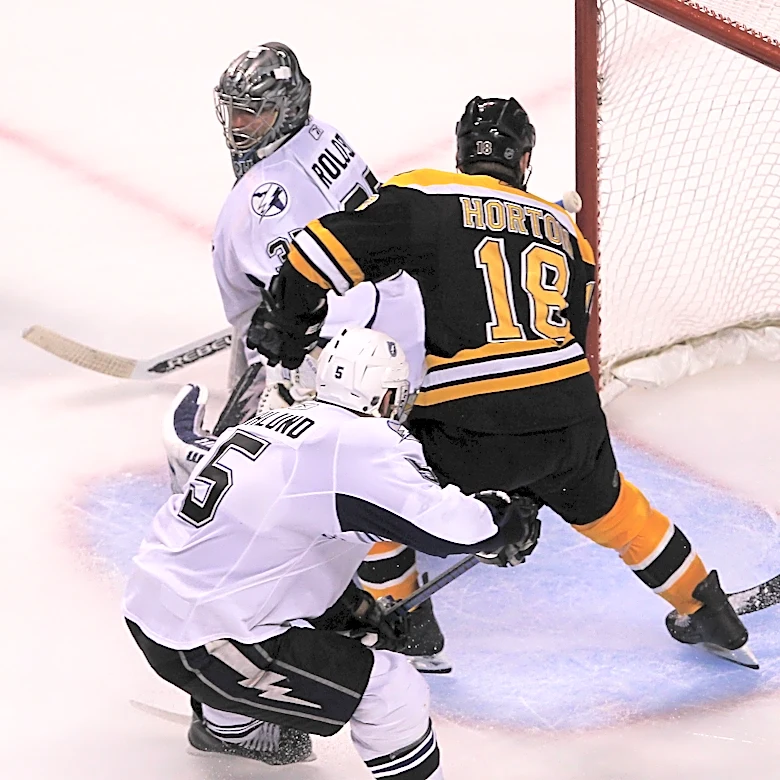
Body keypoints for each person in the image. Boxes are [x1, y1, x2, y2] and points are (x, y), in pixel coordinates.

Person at [243, 96, 756, 669]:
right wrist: (529, 483)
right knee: (619, 514)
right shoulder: (568, 230)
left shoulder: (427, 192)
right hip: (569, 416)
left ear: (463, 153)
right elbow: (573, 342)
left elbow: (317, 250)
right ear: (525, 159)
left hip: (468, 419)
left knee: (376, 491)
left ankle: (406, 622)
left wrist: (285, 320)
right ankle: (709, 611)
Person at [124, 327, 540, 774]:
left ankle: (232, 728)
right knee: (389, 687)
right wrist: (503, 520)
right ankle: (232, 722)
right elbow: (451, 529)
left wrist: (346, 612)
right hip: (205, 639)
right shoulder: (361, 441)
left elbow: (280, 538)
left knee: (335, 633)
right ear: (386, 397)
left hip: (152, 613)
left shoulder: (271, 423)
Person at [166, 41, 447, 672]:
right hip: (392, 312)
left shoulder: (262, 198)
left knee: (320, 474)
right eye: (234, 111)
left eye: (254, 113)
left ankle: (400, 616)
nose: (238, 126)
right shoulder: (322, 136)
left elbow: (299, 295)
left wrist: (281, 329)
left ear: (286, 109)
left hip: (350, 345)